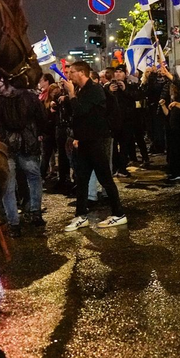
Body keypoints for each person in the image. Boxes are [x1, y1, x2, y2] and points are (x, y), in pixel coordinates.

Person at [62, 61, 127, 231]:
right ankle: (81, 215)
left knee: (105, 178)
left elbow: (81, 111)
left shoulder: (95, 89)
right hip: (84, 141)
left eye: (72, 72)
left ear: (82, 73)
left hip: (97, 141)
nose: (69, 76)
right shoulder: (81, 90)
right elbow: (76, 116)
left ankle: (119, 213)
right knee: (82, 179)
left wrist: (71, 94)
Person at [0, 79, 46, 236]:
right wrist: (39, 133)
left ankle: (14, 224)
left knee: (8, 187)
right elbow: (42, 118)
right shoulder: (30, 97)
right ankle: (35, 212)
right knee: (34, 178)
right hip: (28, 142)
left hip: (5, 145)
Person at [162, 80, 180, 182]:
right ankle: (174, 171)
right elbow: (168, 115)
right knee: (173, 151)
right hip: (172, 128)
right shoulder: (171, 101)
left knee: (179, 151)